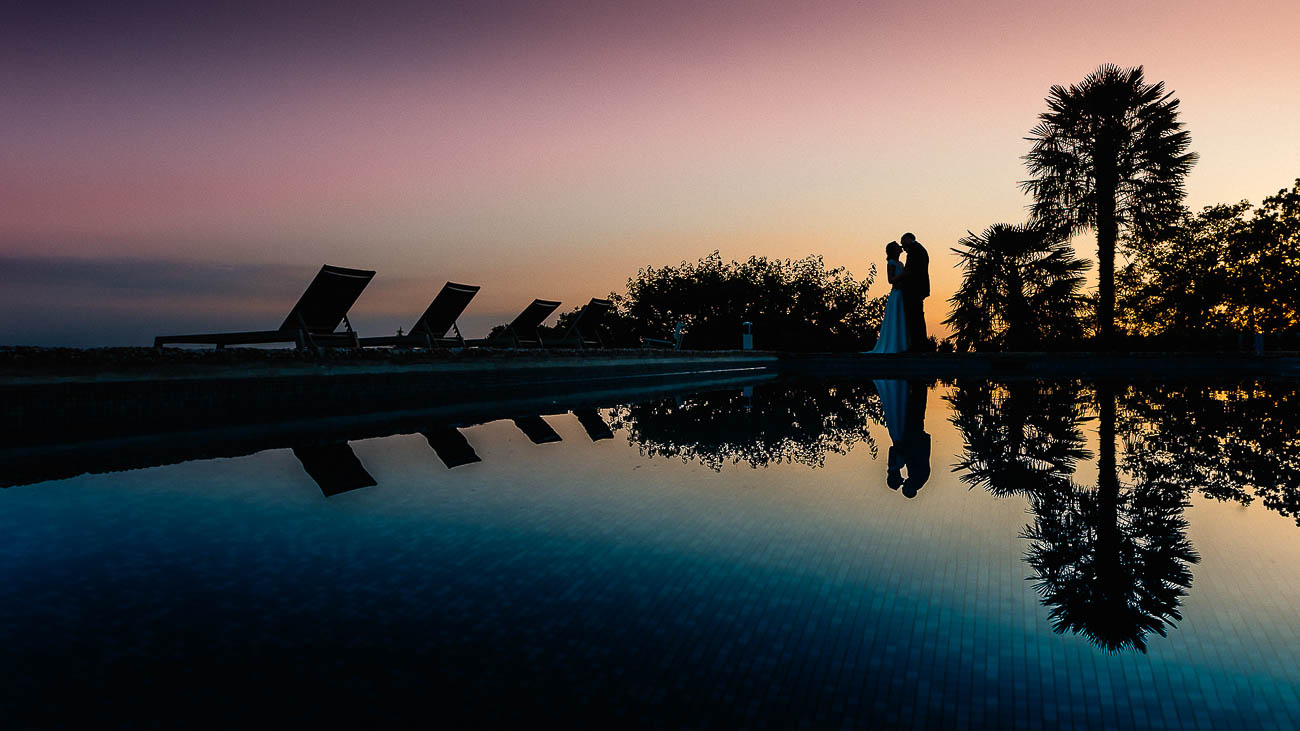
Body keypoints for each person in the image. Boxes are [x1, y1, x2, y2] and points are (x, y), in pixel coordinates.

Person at [868, 241, 909, 353]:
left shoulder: (900, 263)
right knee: (895, 317)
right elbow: (890, 280)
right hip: (896, 293)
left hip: (902, 293)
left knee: (901, 318)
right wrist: (903, 275)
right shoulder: (891, 263)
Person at [896, 232, 931, 352]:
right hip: (918, 288)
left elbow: (910, 270)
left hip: (914, 289)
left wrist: (897, 278)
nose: (902, 246)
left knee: (914, 317)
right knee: (917, 316)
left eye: (903, 242)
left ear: (908, 239)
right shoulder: (918, 249)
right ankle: (919, 344)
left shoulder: (915, 251)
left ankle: (917, 345)